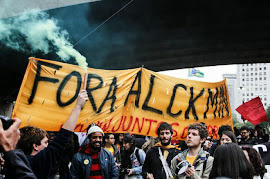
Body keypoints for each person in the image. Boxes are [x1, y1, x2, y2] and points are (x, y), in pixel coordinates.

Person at [17, 90, 88, 179]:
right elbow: (61, 139)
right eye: (46, 142)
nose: (48, 146)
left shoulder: (15, 162)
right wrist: (78, 106)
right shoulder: (37, 162)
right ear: (35, 146)